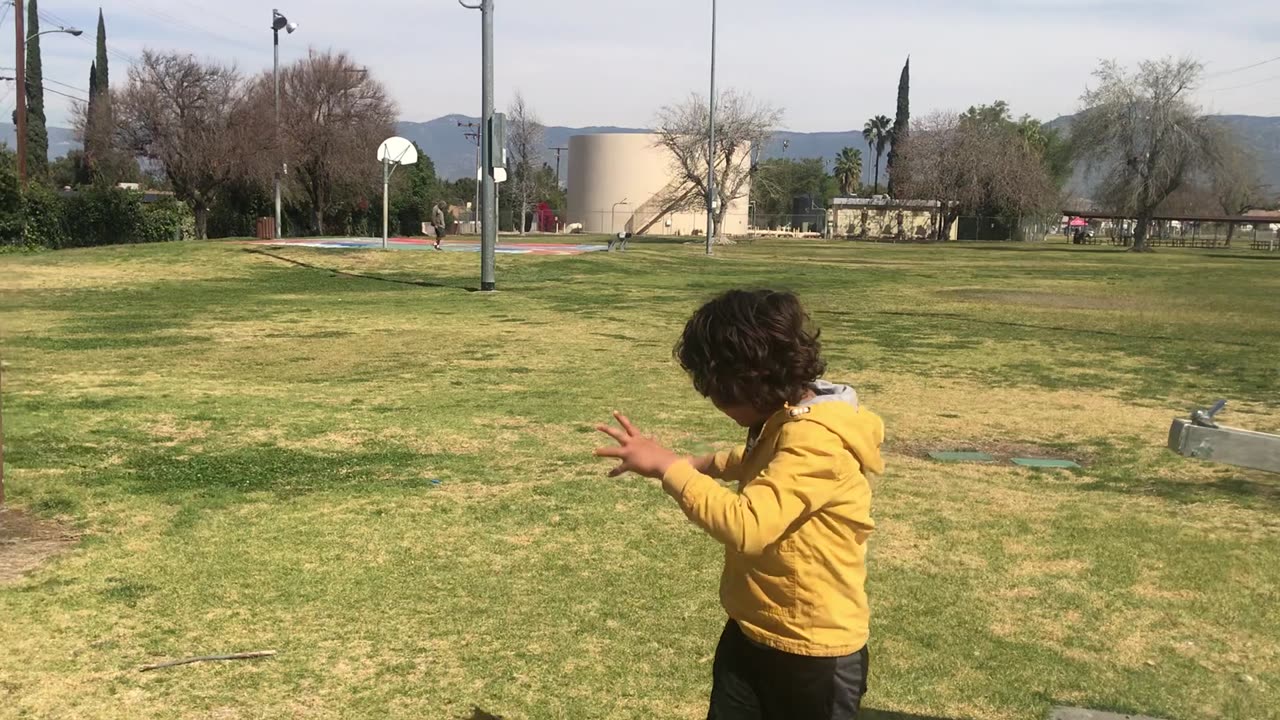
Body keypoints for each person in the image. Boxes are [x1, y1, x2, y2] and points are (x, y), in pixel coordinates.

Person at [595, 290, 885, 720]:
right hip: (753, 630)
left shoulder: (818, 439)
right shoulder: (787, 417)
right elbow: (759, 459)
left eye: (714, 390)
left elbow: (748, 525)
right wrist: (703, 464)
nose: (712, 400)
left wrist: (671, 469)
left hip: (812, 652)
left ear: (748, 379)